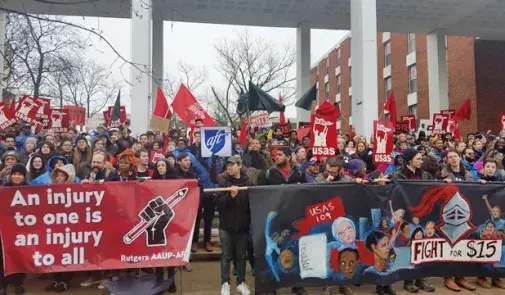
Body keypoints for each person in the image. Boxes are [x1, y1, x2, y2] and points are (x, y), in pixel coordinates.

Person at [258, 147, 306, 295]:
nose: (276, 157)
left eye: (279, 155)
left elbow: (306, 192)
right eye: (275, 155)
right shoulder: (267, 173)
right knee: (274, 252)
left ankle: (297, 284)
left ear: (288, 157)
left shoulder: (299, 173)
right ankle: (273, 285)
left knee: (295, 249)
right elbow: (260, 194)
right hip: (275, 220)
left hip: (294, 218)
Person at [217, 155, 252, 295]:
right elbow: (218, 204)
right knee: (226, 256)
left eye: (232, 165)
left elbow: (251, 202)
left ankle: (241, 282)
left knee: (241, 256)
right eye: (227, 165)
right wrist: (230, 196)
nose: (229, 167)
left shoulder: (248, 181)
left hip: (242, 226)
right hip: (226, 226)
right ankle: (225, 283)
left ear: (239, 165)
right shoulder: (223, 182)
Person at [45, 164, 76, 292]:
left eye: (62, 175)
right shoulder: (49, 190)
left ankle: (65, 280)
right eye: (57, 175)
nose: (59, 177)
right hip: (54, 228)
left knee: (68, 255)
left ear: (68, 177)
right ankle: (56, 279)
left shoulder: (75, 190)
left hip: (69, 228)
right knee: (54, 254)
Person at [1, 164, 28, 295]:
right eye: (14, 174)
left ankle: (19, 283)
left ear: (24, 176)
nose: (16, 177)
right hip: (5, 229)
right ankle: (3, 284)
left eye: (20, 174)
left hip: (22, 229)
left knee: (19, 256)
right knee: (3, 256)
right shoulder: (4, 188)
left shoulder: (31, 189)